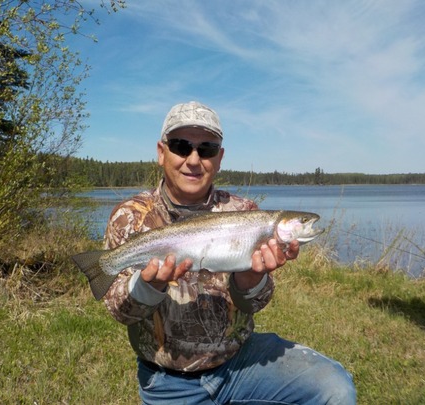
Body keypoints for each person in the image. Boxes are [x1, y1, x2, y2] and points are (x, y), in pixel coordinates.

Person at [103, 101, 356, 404]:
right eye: (181, 146)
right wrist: (150, 284)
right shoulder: (131, 217)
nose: (193, 160)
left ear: (220, 158)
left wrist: (250, 279)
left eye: (207, 149)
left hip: (240, 362)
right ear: (161, 152)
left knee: (335, 388)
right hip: (168, 380)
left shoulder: (245, 213)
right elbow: (120, 312)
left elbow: (255, 303)